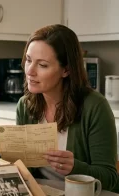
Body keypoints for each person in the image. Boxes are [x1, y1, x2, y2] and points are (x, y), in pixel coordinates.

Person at [16, 24, 118, 192]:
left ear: (66, 70)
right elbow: (27, 172)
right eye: (28, 60)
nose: (30, 71)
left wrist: (76, 168)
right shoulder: (25, 106)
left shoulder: (95, 107)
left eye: (42, 65)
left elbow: (110, 178)